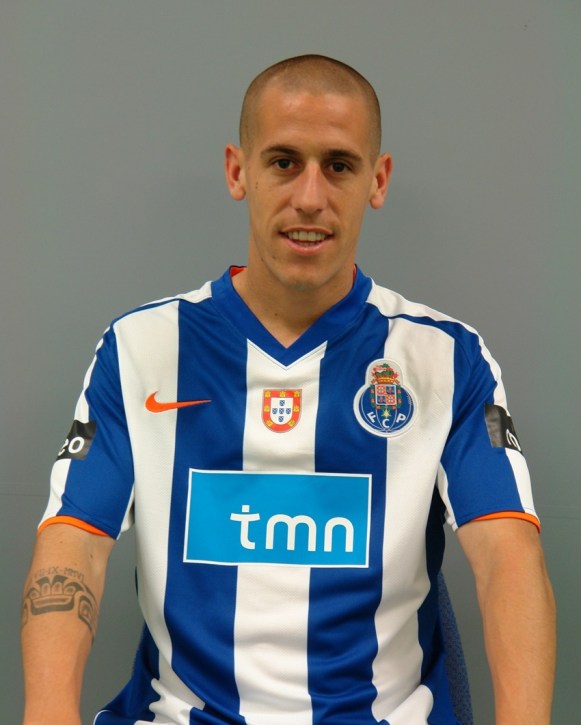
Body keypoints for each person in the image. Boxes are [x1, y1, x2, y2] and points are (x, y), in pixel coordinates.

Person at [21, 54, 556, 725]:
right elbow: (75, 543)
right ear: (237, 171)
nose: (309, 197)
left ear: (377, 180)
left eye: (338, 165)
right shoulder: (141, 349)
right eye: (283, 162)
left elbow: (507, 557)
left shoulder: (444, 358)